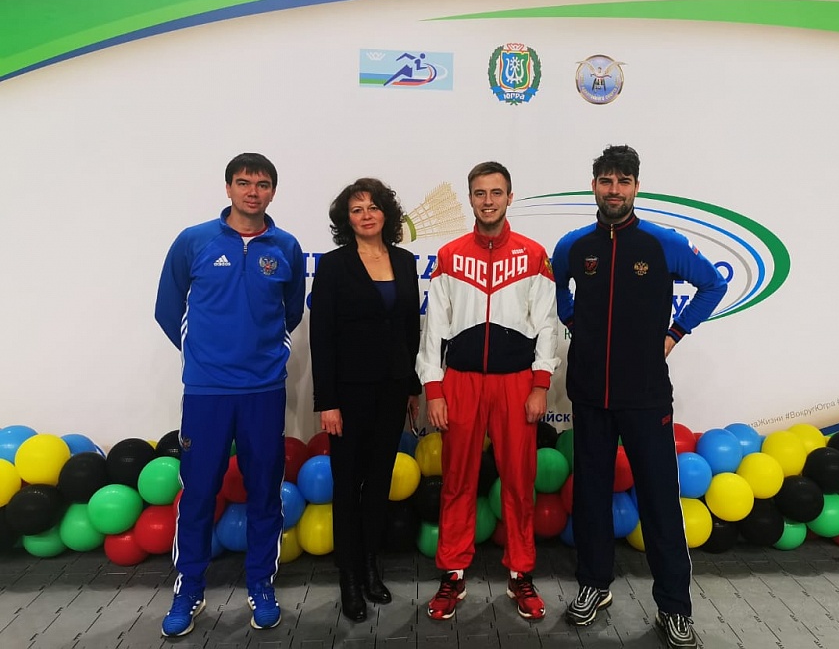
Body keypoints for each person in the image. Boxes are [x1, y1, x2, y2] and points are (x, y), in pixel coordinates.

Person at [551, 145, 727, 649]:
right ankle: (594, 585)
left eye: (623, 181)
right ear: (594, 186)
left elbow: (712, 285)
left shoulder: (661, 243)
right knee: (590, 496)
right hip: (589, 393)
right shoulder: (573, 245)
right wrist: (575, 324)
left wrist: (675, 333)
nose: (614, 190)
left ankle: (674, 607)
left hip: (646, 395)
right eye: (606, 181)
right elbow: (555, 290)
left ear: (636, 187)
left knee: (659, 501)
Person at [154, 153, 305, 638]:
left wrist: (260, 355)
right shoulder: (193, 241)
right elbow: (167, 309)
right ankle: (188, 589)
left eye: (262, 184)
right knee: (199, 491)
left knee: (264, 491)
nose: (252, 192)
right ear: (228, 188)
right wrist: (205, 358)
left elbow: (291, 313)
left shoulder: (286, 247)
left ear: (272, 192)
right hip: (207, 393)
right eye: (243, 183)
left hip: (263, 390)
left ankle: (261, 585)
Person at [417, 161, 559, 622]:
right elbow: (434, 328)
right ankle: (453, 574)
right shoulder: (450, 255)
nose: (488, 201)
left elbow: (547, 326)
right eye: (480, 193)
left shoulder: (534, 255)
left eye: (496, 193)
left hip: (516, 383)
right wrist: (434, 389)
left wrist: (540, 385)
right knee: (457, 480)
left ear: (509, 197)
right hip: (460, 382)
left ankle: (521, 573)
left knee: (518, 481)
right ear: (471, 199)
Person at [309, 178, 421, 623]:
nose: (366, 215)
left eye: (373, 207)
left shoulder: (405, 261)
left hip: (393, 389)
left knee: (378, 483)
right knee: (347, 485)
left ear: (386, 214)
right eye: (357, 210)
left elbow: (409, 330)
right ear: (347, 220)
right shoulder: (334, 266)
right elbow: (322, 337)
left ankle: (372, 566)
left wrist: (412, 386)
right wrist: (327, 401)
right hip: (348, 394)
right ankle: (350, 577)